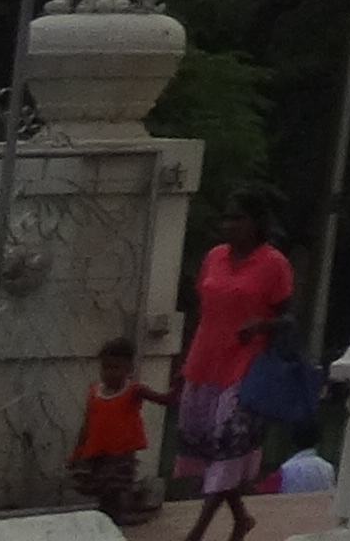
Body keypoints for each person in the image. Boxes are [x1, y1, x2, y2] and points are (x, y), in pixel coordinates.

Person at [168, 186, 294, 541]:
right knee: (207, 449)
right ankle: (240, 517)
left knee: (228, 445)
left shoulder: (274, 264)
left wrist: (261, 324)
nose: (229, 225)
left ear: (257, 222)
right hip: (205, 362)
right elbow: (204, 312)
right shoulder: (214, 257)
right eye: (227, 218)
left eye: (239, 218)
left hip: (245, 366)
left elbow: (289, 318)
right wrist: (184, 364)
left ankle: (198, 531)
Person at [67, 335, 155, 520]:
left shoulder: (133, 391)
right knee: (100, 486)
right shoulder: (95, 392)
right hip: (98, 451)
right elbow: (87, 423)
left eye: (116, 368)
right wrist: (78, 451)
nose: (109, 373)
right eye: (105, 368)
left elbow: (160, 398)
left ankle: (117, 516)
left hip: (121, 452)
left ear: (129, 369)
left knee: (116, 486)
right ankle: (111, 515)